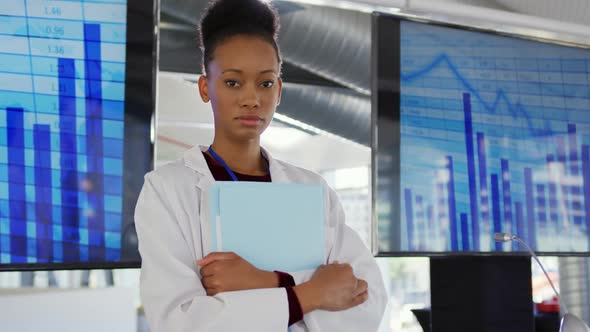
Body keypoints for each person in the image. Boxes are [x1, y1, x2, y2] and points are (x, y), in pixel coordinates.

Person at [134, 0, 387, 331]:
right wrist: (311, 294)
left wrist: (267, 281)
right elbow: (180, 322)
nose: (251, 98)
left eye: (265, 83)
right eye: (233, 82)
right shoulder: (167, 190)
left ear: (279, 90)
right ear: (204, 87)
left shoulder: (312, 189)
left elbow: (366, 300)